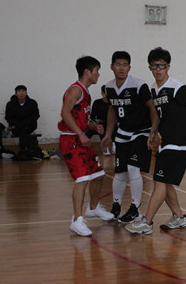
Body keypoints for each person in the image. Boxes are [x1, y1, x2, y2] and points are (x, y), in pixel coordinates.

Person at [126, 47, 186, 234]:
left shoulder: (178, 87)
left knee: (160, 181)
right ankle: (179, 217)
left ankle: (147, 222)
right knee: (165, 181)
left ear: (168, 67)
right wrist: (153, 133)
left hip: (179, 142)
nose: (158, 70)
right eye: (154, 66)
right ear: (150, 68)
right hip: (166, 141)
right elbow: (157, 114)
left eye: (162, 66)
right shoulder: (154, 89)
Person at [58, 56, 114, 236]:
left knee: (98, 175)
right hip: (71, 140)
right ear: (87, 72)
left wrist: (92, 126)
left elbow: (79, 117)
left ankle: (93, 207)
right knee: (82, 179)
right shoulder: (75, 90)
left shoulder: (86, 93)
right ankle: (76, 220)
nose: (98, 74)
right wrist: (81, 134)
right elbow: (65, 113)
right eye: (97, 70)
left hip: (81, 139)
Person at [101, 51, 158, 223]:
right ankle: (116, 205)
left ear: (129, 67)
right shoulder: (109, 87)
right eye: (118, 64)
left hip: (142, 131)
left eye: (125, 65)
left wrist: (153, 132)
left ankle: (135, 207)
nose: (121, 68)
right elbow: (112, 110)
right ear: (112, 66)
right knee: (119, 171)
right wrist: (108, 134)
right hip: (123, 132)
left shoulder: (139, 85)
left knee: (133, 167)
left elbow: (153, 109)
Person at [5, 84, 40, 156]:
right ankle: (24, 150)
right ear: (16, 94)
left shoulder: (32, 103)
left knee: (23, 129)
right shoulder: (10, 104)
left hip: (29, 126)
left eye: (23, 91)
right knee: (22, 130)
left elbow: (36, 115)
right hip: (16, 126)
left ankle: (23, 150)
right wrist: (17, 124)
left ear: (26, 93)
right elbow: (8, 117)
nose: (21, 93)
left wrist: (24, 123)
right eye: (19, 91)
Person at [87, 85, 114, 155]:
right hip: (99, 123)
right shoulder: (97, 102)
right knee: (92, 129)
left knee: (114, 128)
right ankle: (83, 145)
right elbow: (92, 116)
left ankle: (112, 146)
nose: (107, 96)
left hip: (110, 124)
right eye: (105, 93)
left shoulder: (113, 103)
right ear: (102, 93)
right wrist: (95, 123)